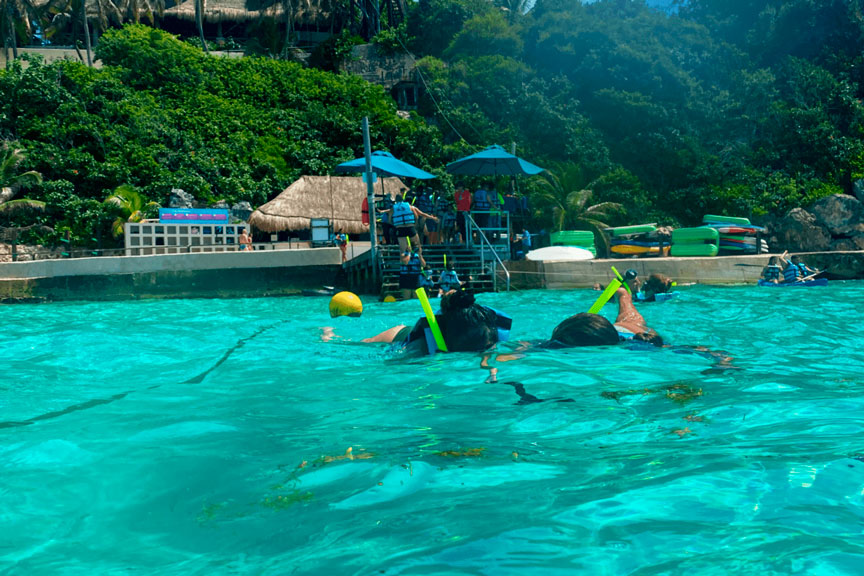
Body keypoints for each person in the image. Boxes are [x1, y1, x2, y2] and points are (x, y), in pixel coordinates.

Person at [362, 290, 511, 356]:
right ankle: (337, 336)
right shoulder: (421, 347)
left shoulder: (485, 330)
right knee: (363, 344)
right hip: (397, 334)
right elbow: (391, 361)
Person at [547, 286, 662, 348]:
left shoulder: (641, 344)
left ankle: (622, 292)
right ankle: (620, 292)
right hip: (611, 329)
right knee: (625, 306)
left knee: (628, 308)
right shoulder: (563, 338)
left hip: (631, 328)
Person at [384, 192, 438, 257]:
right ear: (403, 199)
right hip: (410, 228)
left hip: (400, 229)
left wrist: (396, 224)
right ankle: (420, 260)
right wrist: (432, 218)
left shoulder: (393, 208)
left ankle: (404, 264)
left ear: (396, 200)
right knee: (417, 246)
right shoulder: (410, 207)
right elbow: (420, 215)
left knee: (403, 250)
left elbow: (389, 221)